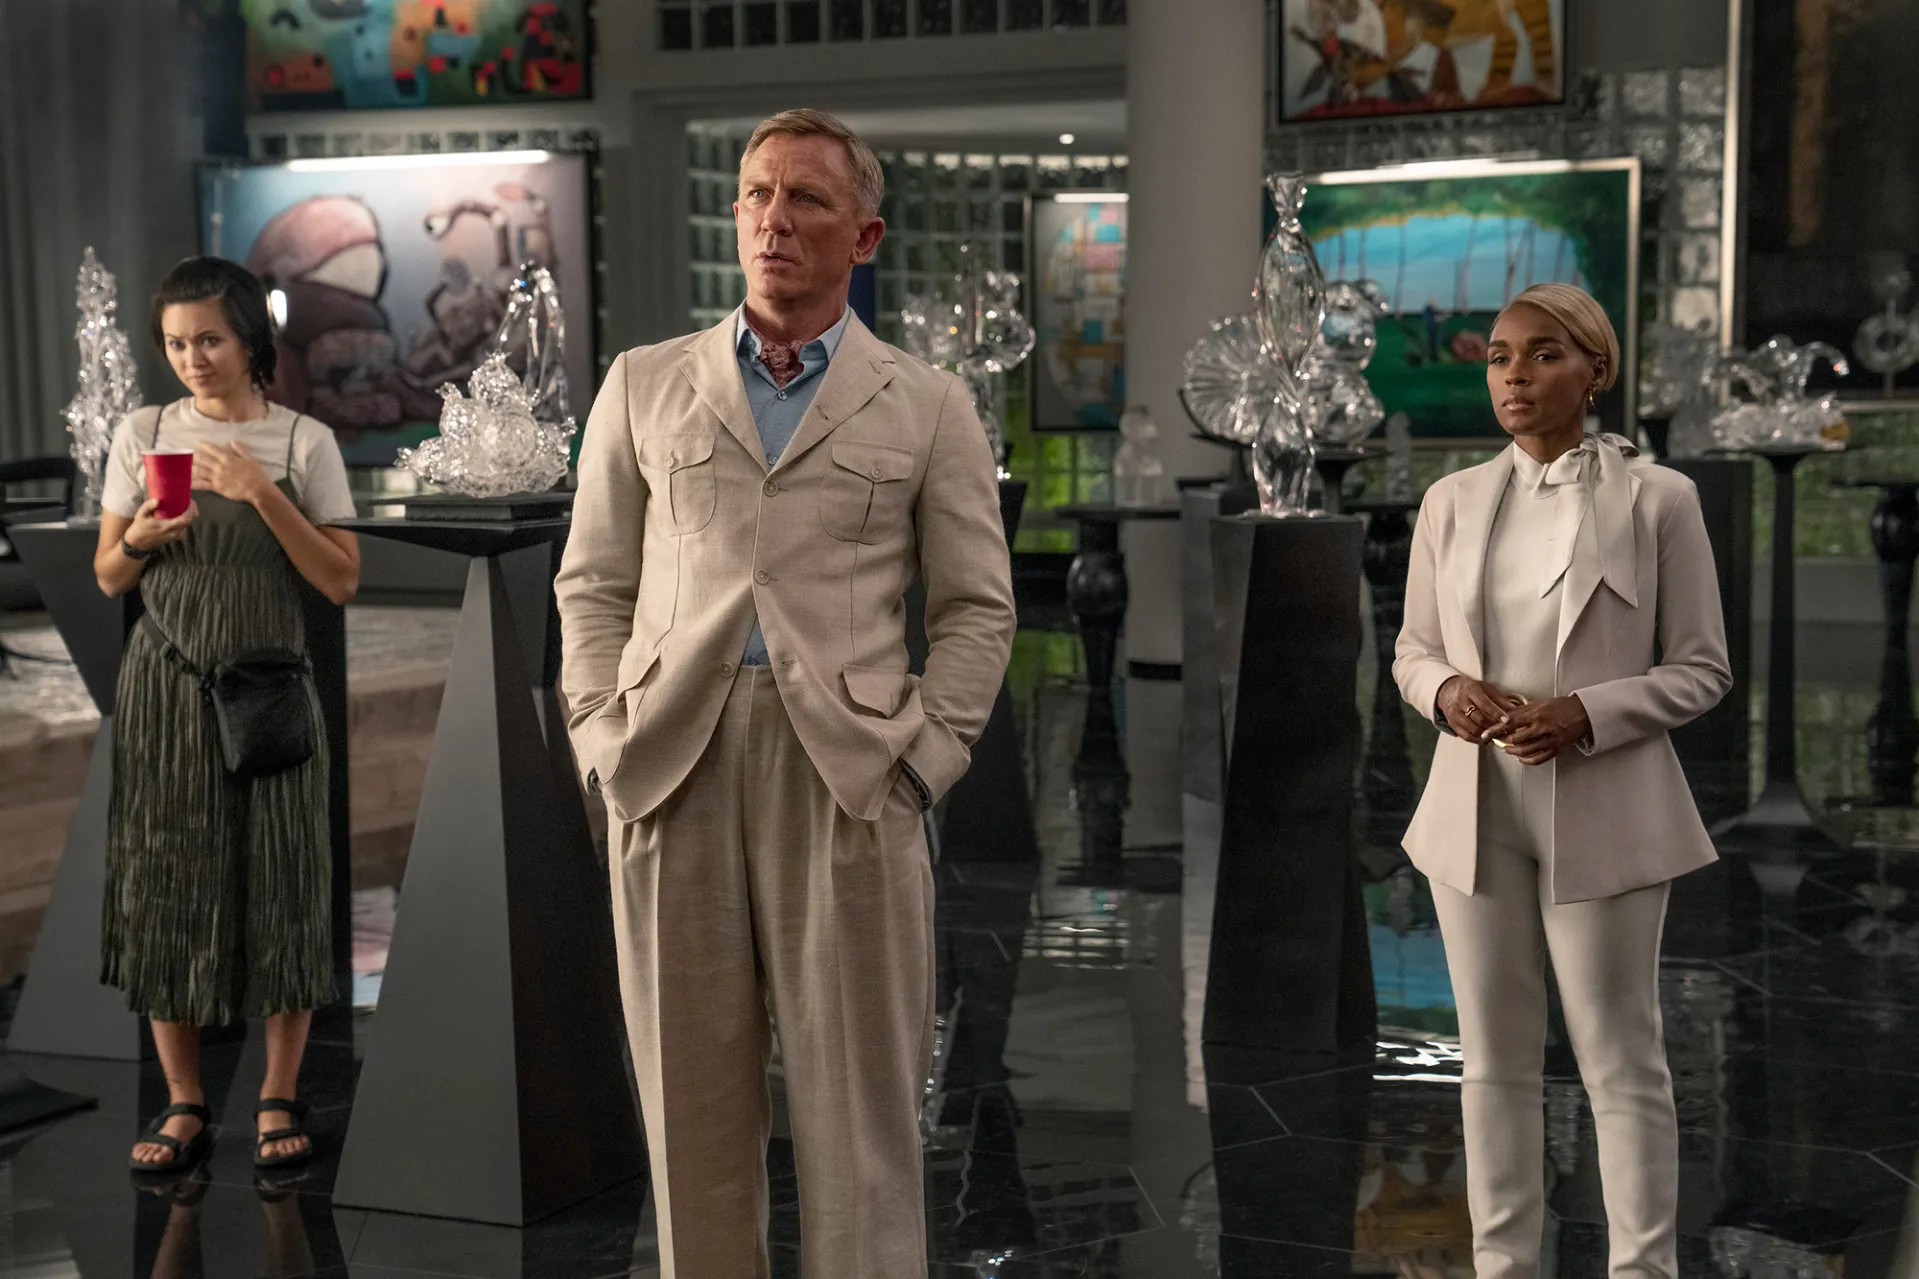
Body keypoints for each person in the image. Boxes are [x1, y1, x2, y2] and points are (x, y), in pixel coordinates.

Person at [556, 108, 1015, 1278]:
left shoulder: (925, 403)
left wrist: (923, 760)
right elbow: (592, 583)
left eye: (806, 197)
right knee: (690, 1119)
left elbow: (976, 609)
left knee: (861, 1121)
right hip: (670, 762)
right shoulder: (643, 384)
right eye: (757, 193)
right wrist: (600, 737)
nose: (774, 218)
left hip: (850, 775)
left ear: (862, 235)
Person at [1393, 282, 1731, 1278]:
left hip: (1607, 805)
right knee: (1490, 1059)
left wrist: (1586, 712)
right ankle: (1501, 1265)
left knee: (1618, 1057)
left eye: (1543, 354)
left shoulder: (1660, 499)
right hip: (1471, 808)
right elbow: (1411, 648)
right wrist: (1445, 690)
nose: (1514, 376)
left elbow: (1702, 668)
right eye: (1499, 357)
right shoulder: (1450, 501)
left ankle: (1643, 1269)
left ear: (1594, 371)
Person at [96, 257, 361, 1178]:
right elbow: (109, 574)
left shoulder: (304, 442)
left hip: (271, 687)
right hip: (166, 688)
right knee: (166, 879)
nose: (192, 359)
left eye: (208, 338)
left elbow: (339, 579)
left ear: (250, 339)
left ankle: (278, 1092)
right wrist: (139, 537)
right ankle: (184, 1098)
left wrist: (261, 491)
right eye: (175, 343)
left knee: (285, 877)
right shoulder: (142, 432)